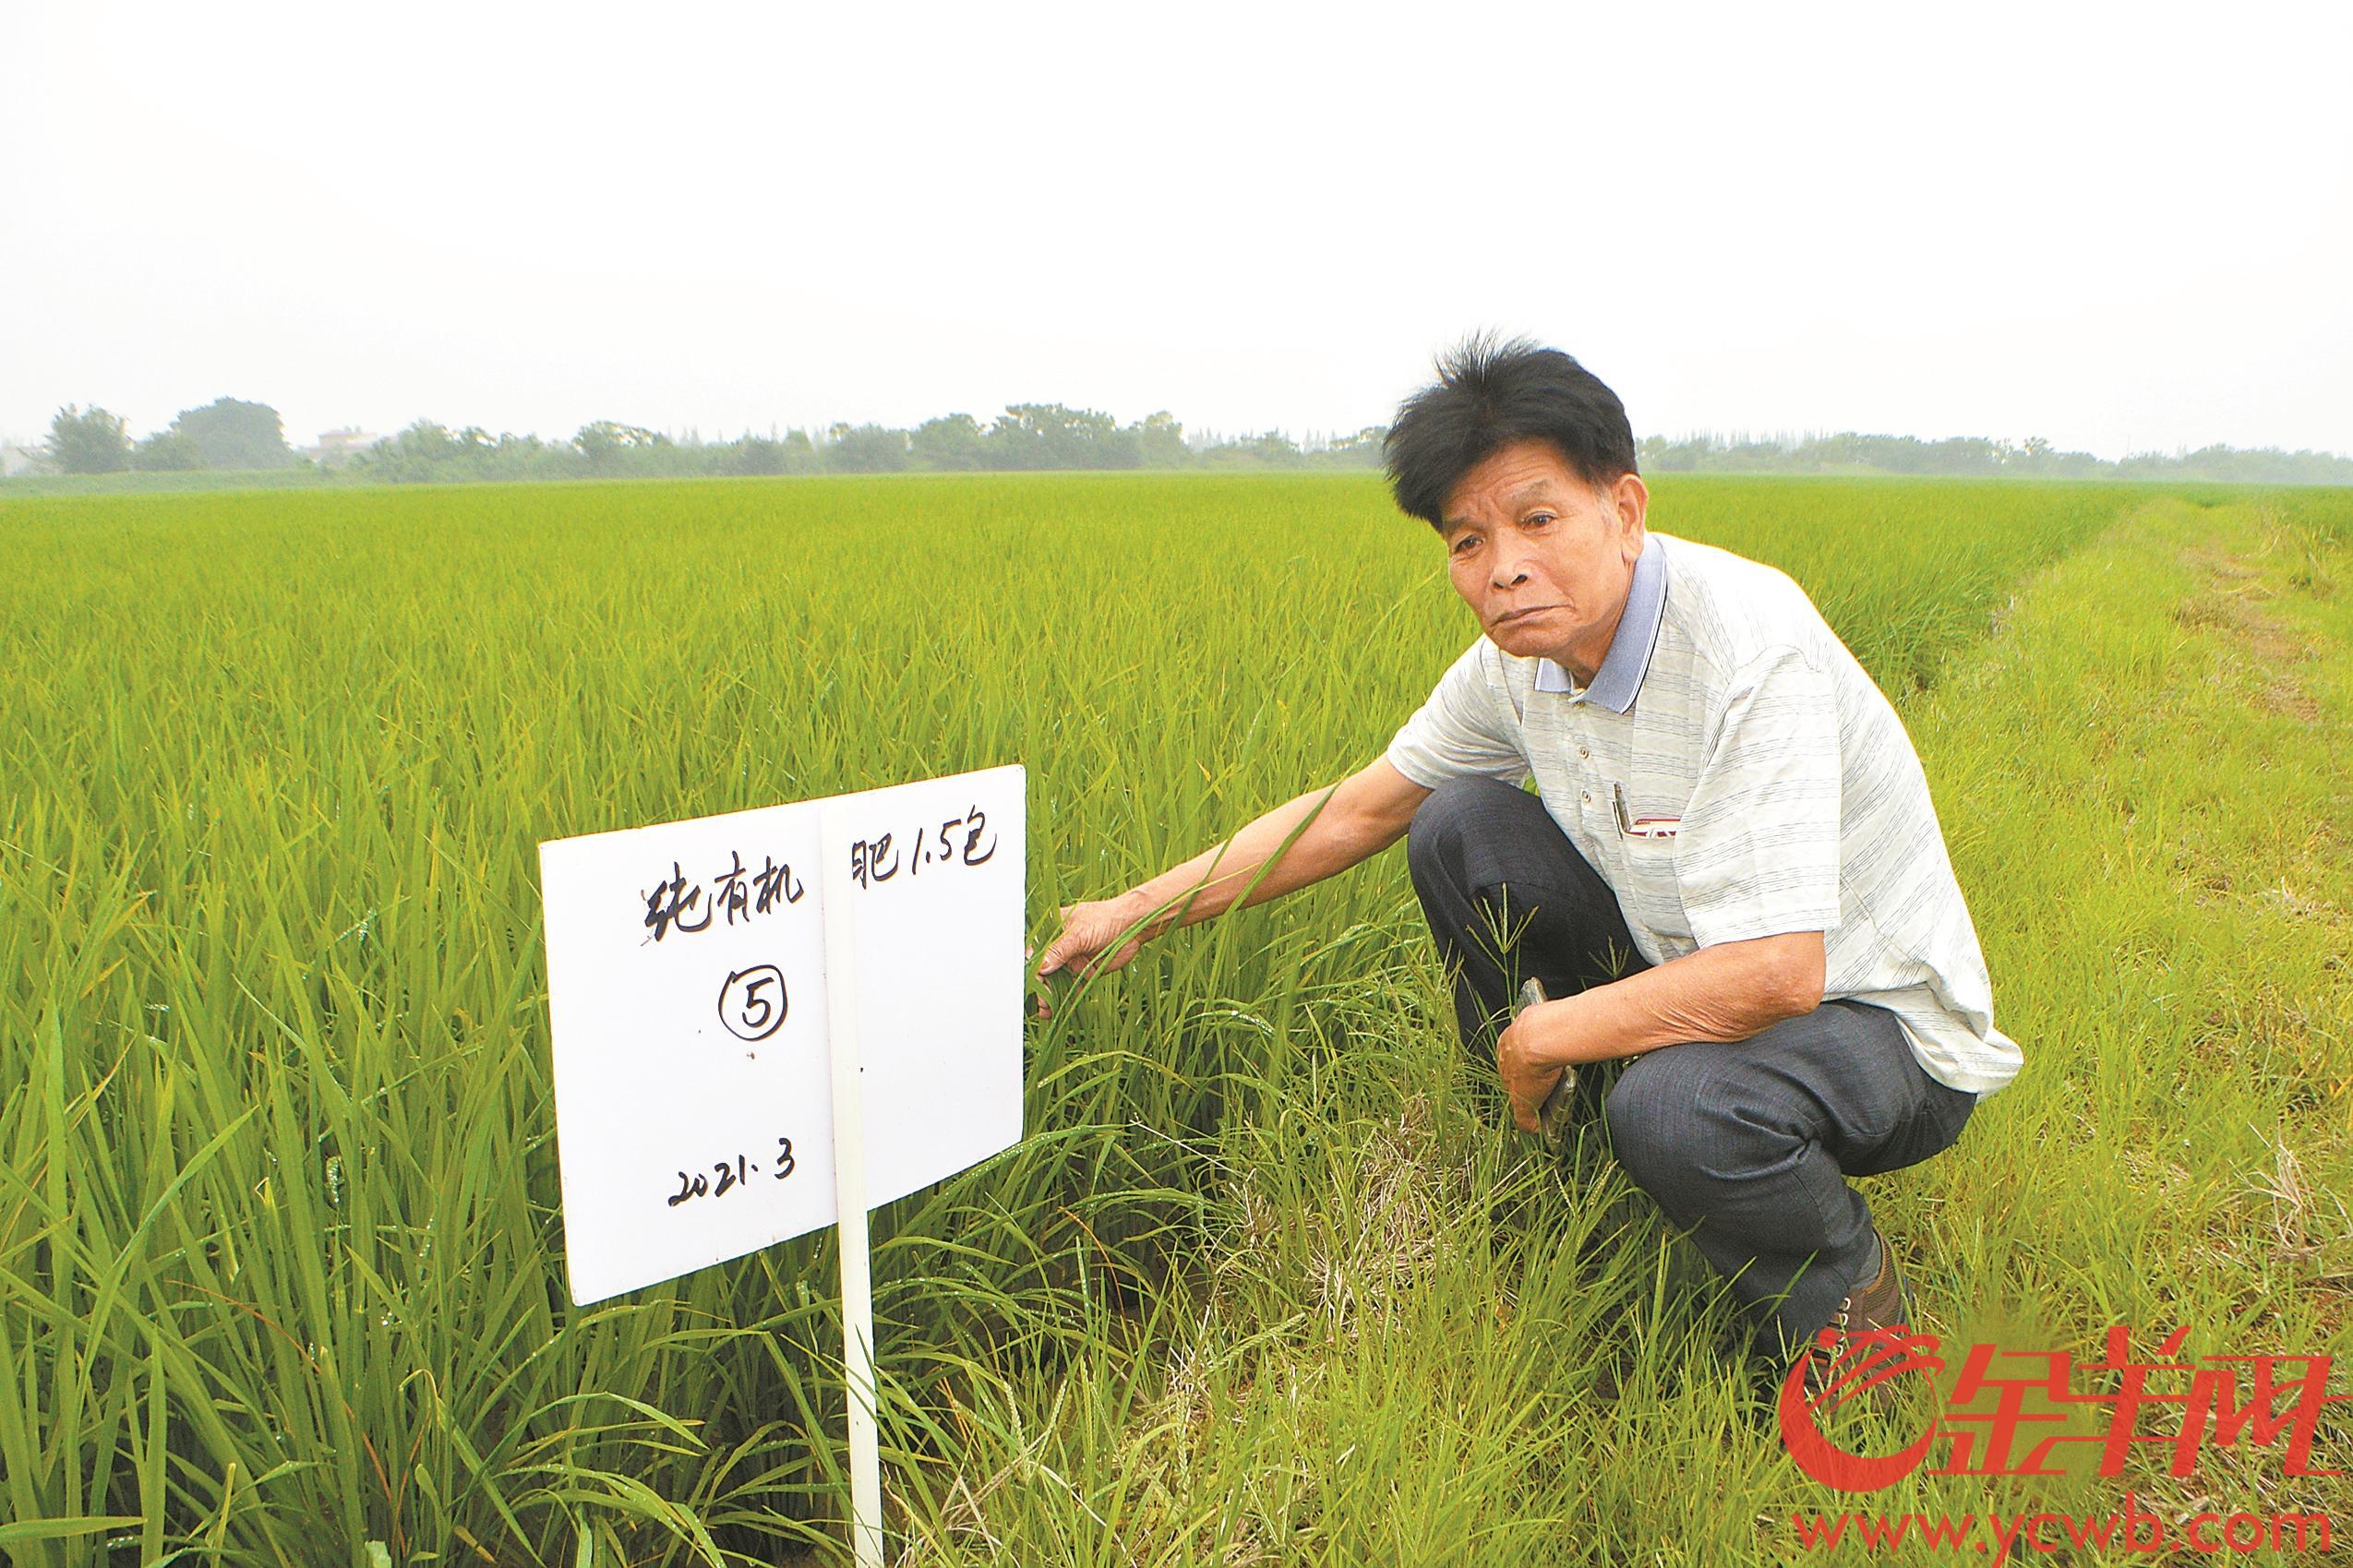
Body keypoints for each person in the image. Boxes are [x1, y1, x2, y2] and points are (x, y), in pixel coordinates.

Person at [1033, 336, 2022, 1389]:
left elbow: (1778, 971)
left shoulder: (1747, 645)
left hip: (1880, 1026)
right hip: (1698, 966)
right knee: (1455, 822)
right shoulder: (1520, 667)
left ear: (1624, 510)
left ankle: (1854, 1331)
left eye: (1536, 520)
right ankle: (1565, 1155)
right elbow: (1354, 811)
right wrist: (1134, 911)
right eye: (1467, 541)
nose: (1501, 566)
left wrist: (1542, 1027)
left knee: (1676, 1105)